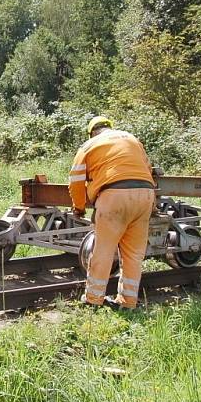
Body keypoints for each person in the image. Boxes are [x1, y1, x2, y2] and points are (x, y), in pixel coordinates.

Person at [70, 116, 155, 310]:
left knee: (103, 250)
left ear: (92, 132)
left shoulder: (89, 145)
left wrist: (79, 207)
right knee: (133, 254)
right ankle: (128, 302)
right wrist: (153, 204)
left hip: (113, 196)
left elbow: (76, 179)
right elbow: (148, 170)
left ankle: (93, 300)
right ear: (110, 128)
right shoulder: (133, 140)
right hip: (145, 196)